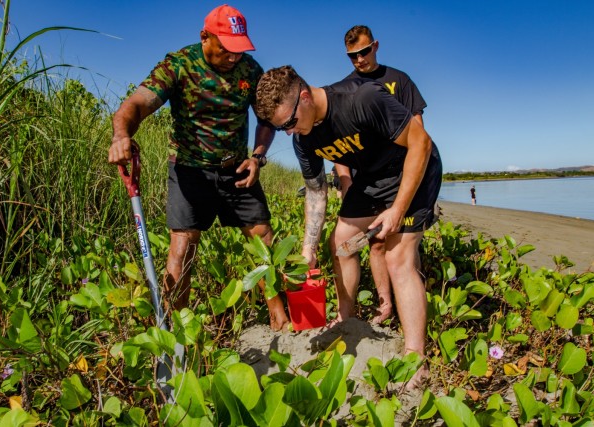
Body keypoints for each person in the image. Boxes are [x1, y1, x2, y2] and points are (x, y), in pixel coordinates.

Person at [254, 65, 442, 387]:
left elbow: (421, 143)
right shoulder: (304, 138)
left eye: (289, 122)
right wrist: (307, 248)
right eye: (280, 127)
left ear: (305, 97)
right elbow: (315, 192)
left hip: (414, 168)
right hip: (372, 179)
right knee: (341, 243)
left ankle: (416, 357)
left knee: (398, 258)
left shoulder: (362, 99)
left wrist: (397, 209)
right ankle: (346, 318)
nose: (288, 132)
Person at [108, 5, 289, 331]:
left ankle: (281, 320)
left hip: (236, 168)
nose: (234, 57)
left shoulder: (250, 70)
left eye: (240, 49)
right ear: (205, 36)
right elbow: (136, 104)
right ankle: (176, 333)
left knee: (264, 241)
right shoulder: (179, 64)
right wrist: (122, 135)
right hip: (190, 170)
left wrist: (258, 157)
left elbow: (266, 118)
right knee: (182, 247)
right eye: (227, 49)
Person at [340, 25, 429, 324]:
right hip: (367, 178)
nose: (359, 60)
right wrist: (345, 180)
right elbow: (336, 141)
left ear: (376, 46)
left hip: (402, 173)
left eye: (364, 52)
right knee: (376, 242)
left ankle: (413, 296)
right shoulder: (345, 87)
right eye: (352, 56)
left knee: (402, 242)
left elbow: (418, 129)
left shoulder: (400, 80)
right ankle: (385, 305)